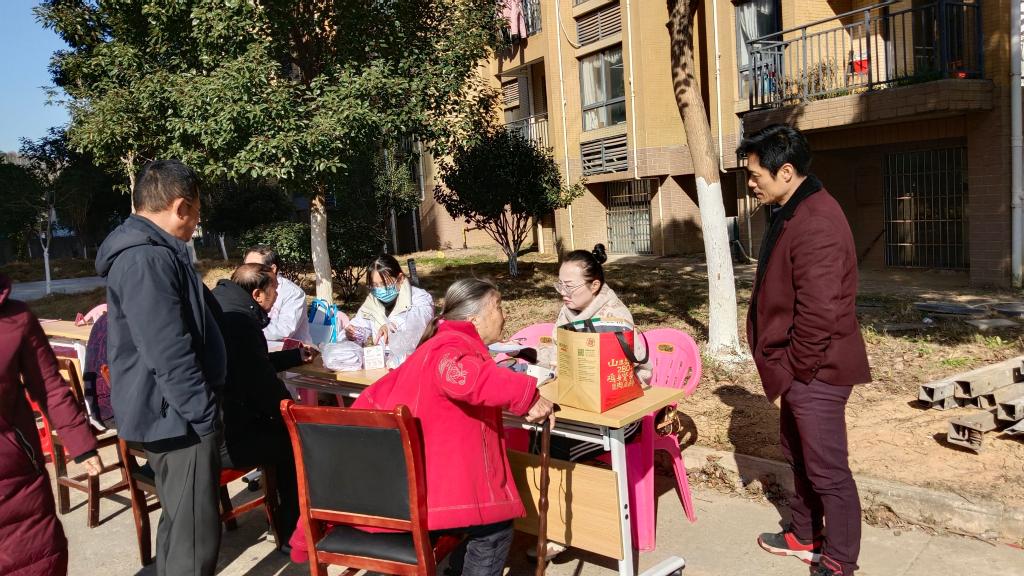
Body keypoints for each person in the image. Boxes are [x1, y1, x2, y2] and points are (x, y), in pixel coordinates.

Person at [289, 278, 555, 575]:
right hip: (404, 495)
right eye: (499, 306)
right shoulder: (449, 348)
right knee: (495, 525)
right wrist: (527, 396)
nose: (504, 316)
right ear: (474, 319)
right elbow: (468, 379)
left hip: (384, 484)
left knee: (483, 515)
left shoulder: (440, 343)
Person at [738, 124, 871, 576]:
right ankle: (804, 533)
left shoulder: (816, 221)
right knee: (798, 454)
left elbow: (819, 313)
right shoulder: (794, 208)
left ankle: (839, 561)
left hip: (817, 370)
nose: (750, 182)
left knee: (828, 470)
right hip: (799, 368)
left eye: (755, 174)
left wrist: (795, 371)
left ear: (786, 171)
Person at [95, 159, 227, 576]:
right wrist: (204, 414)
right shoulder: (146, 259)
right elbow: (167, 350)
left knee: (181, 525)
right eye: (197, 212)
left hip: (173, 413)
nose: (197, 222)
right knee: (194, 541)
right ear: (180, 206)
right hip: (177, 418)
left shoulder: (149, 252)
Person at [531, 243, 651, 559]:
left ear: (595, 285)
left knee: (557, 444)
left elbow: (625, 370)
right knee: (539, 433)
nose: (563, 293)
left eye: (569, 286)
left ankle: (567, 529)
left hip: (617, 414)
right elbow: (559, 354)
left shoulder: (615, 316)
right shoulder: (567, 311)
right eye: (559, 285)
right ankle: (547, 520)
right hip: (577, 404)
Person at [0, 272, 103, 576]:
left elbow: (49, 385)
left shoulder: (16, 318)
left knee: (37, 561)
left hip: (15, 478)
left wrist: (82, 444)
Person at [212, 263, 317, 550]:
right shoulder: (241, 322)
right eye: (274, 290)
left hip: (212, 425)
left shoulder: (221, 303)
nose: (277, 296)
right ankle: (291, 530)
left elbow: (252, 364)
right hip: (225, 439)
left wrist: (294, 356)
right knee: (291, 442)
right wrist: (292, 413)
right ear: (258, 294)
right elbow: (261, 385)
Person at [344, 254, 434, 368]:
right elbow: (360, 324)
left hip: (416, 365)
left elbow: (419, 318)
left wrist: (393, 325)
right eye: (375, 285)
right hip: (386, 367)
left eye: (384, 284)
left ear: (400, 279)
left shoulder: (419, 297)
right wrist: (354, 333)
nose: (379, 289)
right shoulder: (372, 303)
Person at [243, 245, 312, 344]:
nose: (248, 272)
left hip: (291, 350)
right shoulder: (245, 287)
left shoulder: (293, 293)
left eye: (255, 267)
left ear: (273, 269)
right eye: (245, 267)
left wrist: (248, 329)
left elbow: (285, 331)